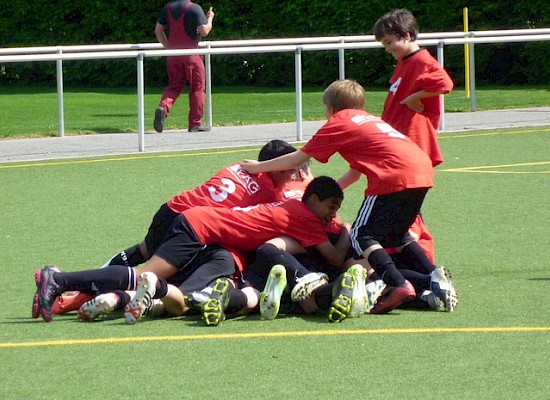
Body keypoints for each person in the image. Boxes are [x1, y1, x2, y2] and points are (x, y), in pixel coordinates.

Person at [240, 79, 458, 314]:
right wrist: (326, 192)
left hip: (394, 175)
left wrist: (257, 167)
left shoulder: (339, 122)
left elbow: (296, 159)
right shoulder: (370, 121)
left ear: (331, 108)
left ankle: (398, 284)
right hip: (422, 170)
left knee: (362, 234)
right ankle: (434, 277)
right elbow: (355, 173)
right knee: (397, 236)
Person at [33, 176, 350, 323]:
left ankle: (73, 287)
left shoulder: (295, 205)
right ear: (313, 200)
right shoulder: (306, 218)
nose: (332, 214)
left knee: (146, 273)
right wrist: (349, 231)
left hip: (201, 224)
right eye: (331, 206)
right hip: (201, 228)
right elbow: (335, 257)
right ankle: (59, 281)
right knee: (144, 275)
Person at [41, 140, 300, 317]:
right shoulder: (268, 189)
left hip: (172, 208)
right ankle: (65, 285)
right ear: (274, 165)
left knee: (142, 251)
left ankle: (77, 289)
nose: (293, 175)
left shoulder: (240, 166)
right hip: (190, 224)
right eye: (289, 168)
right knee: (143, 275)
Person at [373, 8, 454, 168]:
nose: (387, 49)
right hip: (397, 134)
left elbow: (445, 83)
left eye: (389, 42)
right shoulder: (404, 60)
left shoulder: (423, 61)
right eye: (384, 44)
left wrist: (415, 97)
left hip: (413, 135)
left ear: (407, 35)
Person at [153, 0, 215, 133]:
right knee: (198, 88)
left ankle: (163, 107)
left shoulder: (167, 8)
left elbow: (158, 31)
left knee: (174, 86)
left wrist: (168, 47)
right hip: (192, 55)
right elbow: (204, 31)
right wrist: (210, 18)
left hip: (173, 55)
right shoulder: (194, 8)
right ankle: (195, 123)